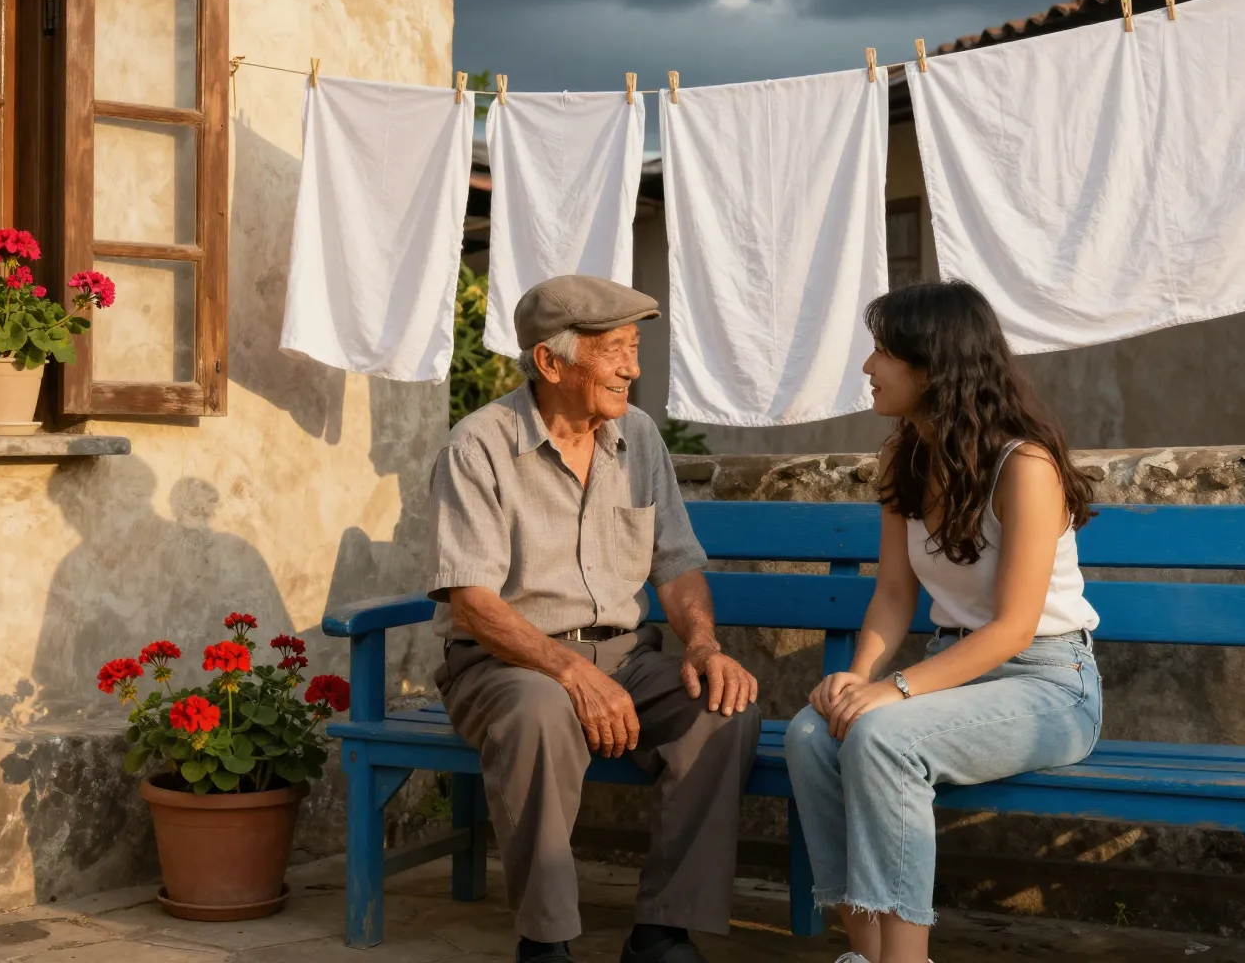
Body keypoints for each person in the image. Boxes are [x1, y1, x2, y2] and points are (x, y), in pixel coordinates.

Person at [430, 274, 763, 963]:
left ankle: (663, 932)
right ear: (551, 363)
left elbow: (675, 561)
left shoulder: (638, 437)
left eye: (635, 347)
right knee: (539, 712)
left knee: (724, 711)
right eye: (614, 350)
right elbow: (474, 602)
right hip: (508, 664)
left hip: (627, 660)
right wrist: (568, 672)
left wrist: (702, 644)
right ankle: (545, 941)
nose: (633, 369)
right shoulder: (479, 445)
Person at [783, 281, 1104, 963]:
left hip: (1051, 685)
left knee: (883, 737)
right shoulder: (905, 457)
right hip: (955, 676)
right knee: (813, 733)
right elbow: (895, 596)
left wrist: (892, 693)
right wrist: (857, 677)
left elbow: (1016, 627)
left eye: (881, 353)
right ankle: (871, 953)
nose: (867, 368)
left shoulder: (1026, 467)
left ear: (932, 366)